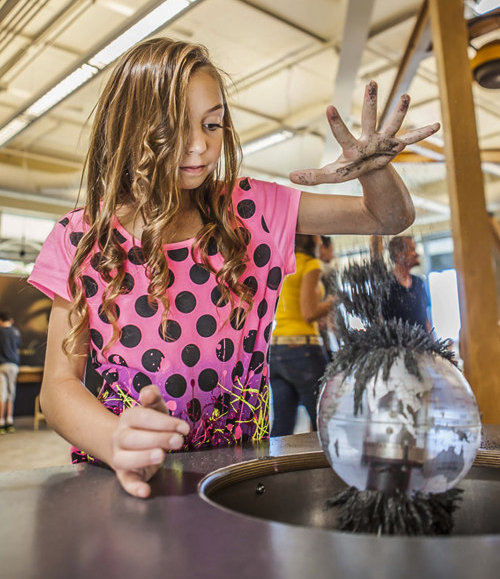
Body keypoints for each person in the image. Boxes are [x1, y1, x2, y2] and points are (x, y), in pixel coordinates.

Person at [27, 38, 439, 498]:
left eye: (212, 124)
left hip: (241, 481)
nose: (200, 146)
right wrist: (114, 439)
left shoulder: (252, 208)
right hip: (125, 480)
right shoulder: (81, 238)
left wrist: (375, 170)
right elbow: (59, 385)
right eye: (174, 127)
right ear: (129, 127)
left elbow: (387, 217)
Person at [270, 234, 332, 436]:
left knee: (282, 426)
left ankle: (277, 467)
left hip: (276, 351)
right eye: (318, 238)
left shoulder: (282, 262)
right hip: (303, 351)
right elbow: (309, 313)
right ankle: (330, 467)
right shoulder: (311, 263)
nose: (321, 242)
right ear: (312, 240)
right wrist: (335, 300)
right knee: (325, 420)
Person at [381, 235, 432, 332]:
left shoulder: (418, 283)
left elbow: (426, 320)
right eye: (412, 249)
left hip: (423, 345)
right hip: (399, 346)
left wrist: (433, 345)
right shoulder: (386, 287)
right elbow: (381, 322)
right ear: (398, 254)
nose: (416, 254)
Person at [0, 311, 21, 434]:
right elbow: (17, 348)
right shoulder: (16, 332)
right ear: (11, 320)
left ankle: (1, 422)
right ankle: (10, 421)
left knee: (2, 394)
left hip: (1, 365)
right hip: (13, 365)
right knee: (11, 393)